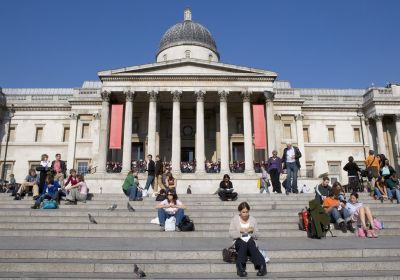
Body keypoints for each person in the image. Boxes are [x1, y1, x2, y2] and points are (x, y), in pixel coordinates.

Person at [229, 202, 267, 277]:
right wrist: (240, 232)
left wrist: (252, 232)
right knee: (243, 242)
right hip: (238, 242)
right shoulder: (235, 219)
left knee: (249, 241)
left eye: (247, 212)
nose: (245, 214)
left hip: (250, 242)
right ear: (240, 212)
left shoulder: (253, 219)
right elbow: (231, 233)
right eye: (243, 212)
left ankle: (261, 266)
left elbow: (257, 234)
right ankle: (241, 267)